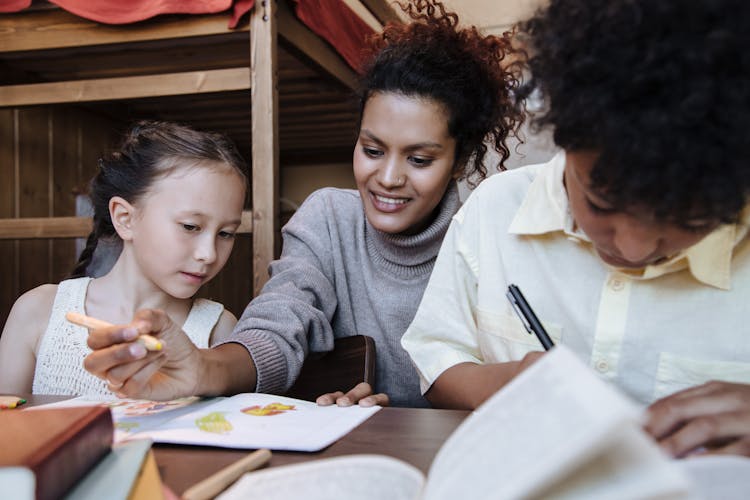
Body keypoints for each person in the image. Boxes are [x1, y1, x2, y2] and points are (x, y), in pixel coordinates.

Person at [79, 0, 524, 407]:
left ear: (459, 159)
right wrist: (202, 367)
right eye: (371, 150)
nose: (388, 178)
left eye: (420, 158)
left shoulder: (486, 237)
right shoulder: (329, 220)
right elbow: (278, 322)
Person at [401, 0, 750, 457]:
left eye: (688, 220)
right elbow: (436, 353)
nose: (633, 247)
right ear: (562, 132)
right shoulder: (495, 209)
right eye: (602, 203)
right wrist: (501, 382)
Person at [0, 120, 247, 396]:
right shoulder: (39, 311)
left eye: (226, 233)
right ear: (125, 218)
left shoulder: (219, 329)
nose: (209, 254)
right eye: (190, 226)